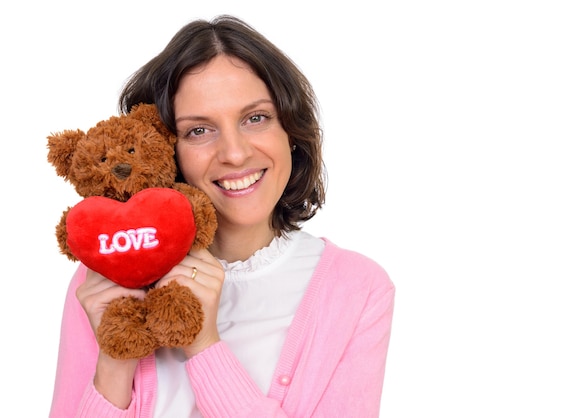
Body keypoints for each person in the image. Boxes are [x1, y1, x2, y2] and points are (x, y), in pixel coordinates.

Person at [49, 14, 395, 418]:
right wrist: (115, 360)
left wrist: (203, 343)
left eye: (255, 118)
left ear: (291, 131)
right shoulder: (107, 273)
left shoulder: (358, 290)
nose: (234, 153)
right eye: (199, 130)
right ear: (166, 149)